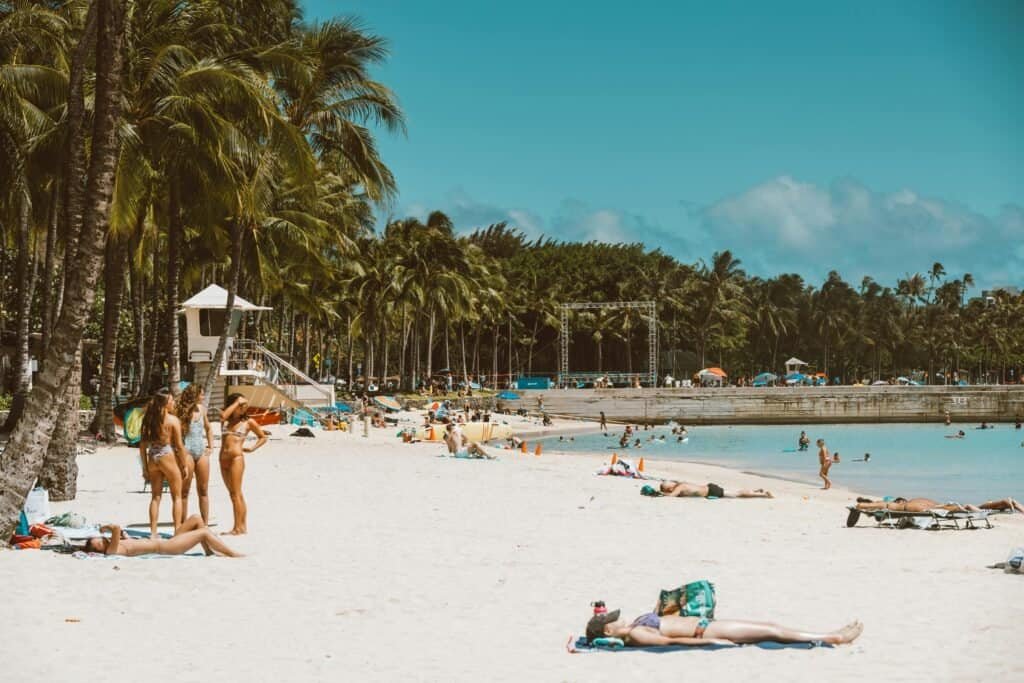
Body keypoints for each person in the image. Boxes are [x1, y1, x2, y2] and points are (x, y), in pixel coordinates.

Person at [585, 608, 862, 647]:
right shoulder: (635, 633)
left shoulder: (634, 625)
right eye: (612, 620)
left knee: (769, 626)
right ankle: (832, 637)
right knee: (772, 631)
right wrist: (711, 643)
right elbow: (669, 643)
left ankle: (828, 635)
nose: (617, 618)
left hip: (707, 624)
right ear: (608, 631)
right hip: (708, 632)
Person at [139, 389, 191, 537]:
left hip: (153, 456)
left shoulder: (148, 419)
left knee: (155, 497)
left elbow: (142, 446)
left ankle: (153, 532)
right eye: (172, 401)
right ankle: (177, 530)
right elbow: (180, 446)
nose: (174, 403)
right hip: (166, 455)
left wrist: (144, 467)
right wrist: (184, 465)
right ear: (165, 403)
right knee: (177, 496)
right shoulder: (173, 420)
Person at [219, 394, 269, 535]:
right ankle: (241, 527)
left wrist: (252, 448)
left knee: (236, 494)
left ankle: (238, 527)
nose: (242, 407)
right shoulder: (225, 420)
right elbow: (223, 416)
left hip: (236, 458)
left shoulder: (249, 422)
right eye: (239, 405)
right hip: (222, 459)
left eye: (243, 405)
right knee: (233, 494)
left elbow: (263, 437)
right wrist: (236, 403)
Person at [82, 515, 240, 557]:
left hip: (166, 542)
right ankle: (233, 554)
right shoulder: (112, 551)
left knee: (197, 518)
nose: (103, 540)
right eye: (100, 543)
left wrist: (124, 535)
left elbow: (120, 532)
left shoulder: (118, 544)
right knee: (204, 532)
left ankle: (208, 551)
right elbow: (116, 528)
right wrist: (105, 527)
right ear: (100, 550)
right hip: (167, 548)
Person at [174, 384, 214, 524]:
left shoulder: (202, 410)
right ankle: (183, 524)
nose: (203, 397)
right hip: (187, 451)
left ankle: (205, 524)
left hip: (201, 451)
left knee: (203, 490)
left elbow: (209, 429)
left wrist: (211, 446)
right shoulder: (180, 411)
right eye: (201, 394)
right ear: (194, 395)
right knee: (184, 491)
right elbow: (175, 433)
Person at [852, 496, 1024, 515]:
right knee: (966, 506)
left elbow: (881, 504)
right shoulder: (918, 499)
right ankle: (1007, 503)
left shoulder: (899, 506)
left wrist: (861, 506)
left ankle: (1003, 503)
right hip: (942, 506)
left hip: (940, 508)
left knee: (968, 508)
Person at [657, 480, 773, 499]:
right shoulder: (681, 484)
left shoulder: (679, 488)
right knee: (735, 492)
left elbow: (671, 497)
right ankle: (757, 491)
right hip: (709, 488)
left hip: (711, 491)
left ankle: (762, 495)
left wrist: (659, 494)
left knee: (737, 494)